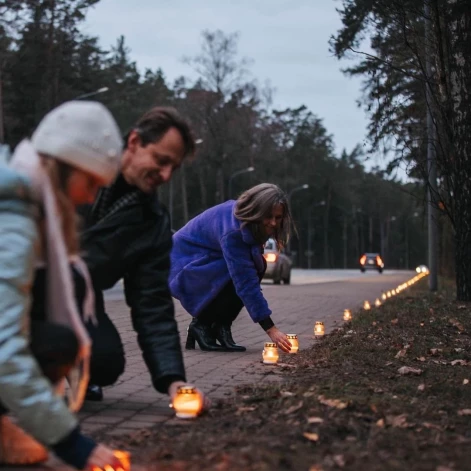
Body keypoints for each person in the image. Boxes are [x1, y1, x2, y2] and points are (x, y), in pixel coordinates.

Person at [0, 101, 130, 470]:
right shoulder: (13, 221)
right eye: (90, 182)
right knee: (56, 343)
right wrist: (73, 444)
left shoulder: (24, 201)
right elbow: (2, 346)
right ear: (63, 165)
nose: (91, 198)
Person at [79, 106, 198, 402]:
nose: (166, 175)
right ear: (134, 142)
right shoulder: (77, 166)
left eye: (174, 168)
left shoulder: (152, 223)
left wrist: (174, 381)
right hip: (18, 282)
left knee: (105, 361)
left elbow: (153, 305)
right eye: (161, 161)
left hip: (78, 300)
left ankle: (72, 367)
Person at [169, 183, 293, 353]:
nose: (273, 223)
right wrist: (271, 328)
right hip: (180, 267)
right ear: (256, 211)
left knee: (257, 265)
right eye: (268, 216)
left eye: (278, 218)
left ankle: (221, 326)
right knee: (238, 272)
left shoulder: (247, 223)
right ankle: (202, 325)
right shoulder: (234, 230)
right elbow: (245, 282)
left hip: (202, 263)